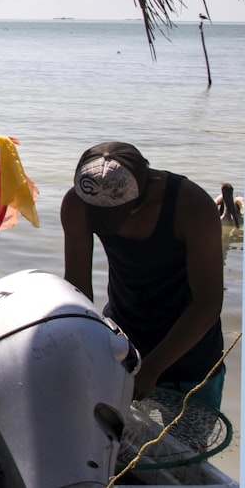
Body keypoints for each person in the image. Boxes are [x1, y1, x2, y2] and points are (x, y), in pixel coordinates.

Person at [60, 141, 225, 408]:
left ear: (146, 189)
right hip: (123, 341)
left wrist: (152, 368)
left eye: (116, 215)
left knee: (188, 447)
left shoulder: (193, 208)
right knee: (118, 445)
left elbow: (208, 302)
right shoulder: (78, 203)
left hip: (190, 348)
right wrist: (80, 347)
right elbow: (78, 290)